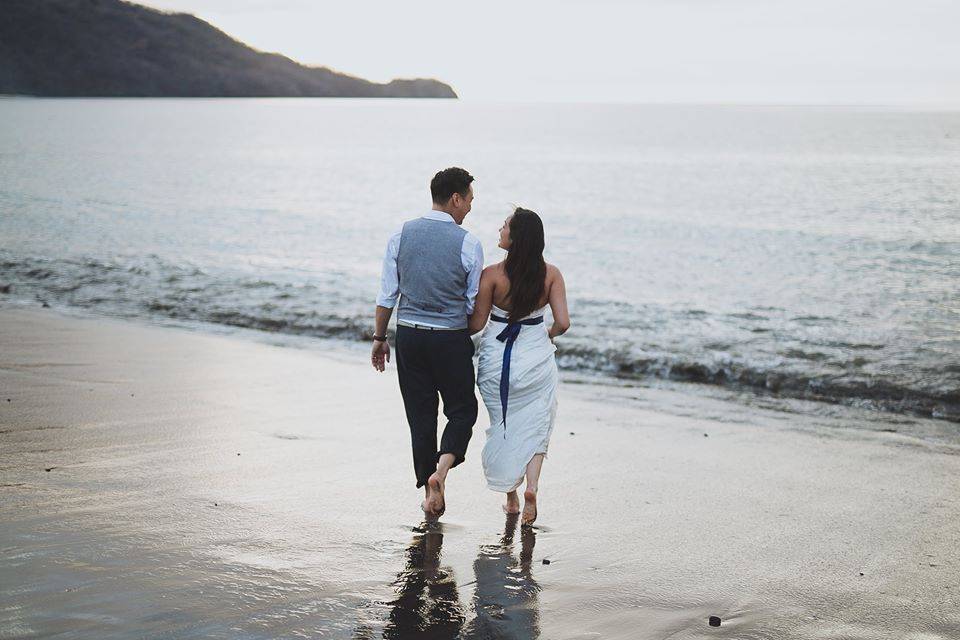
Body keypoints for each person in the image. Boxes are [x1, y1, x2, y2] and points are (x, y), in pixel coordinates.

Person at [371, 167, 484, 520]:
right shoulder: (468, 243)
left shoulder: (400, 236)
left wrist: (379, 338)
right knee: (462, 410)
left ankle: (429, 493)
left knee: (420, 416)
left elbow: (388, 294)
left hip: (410, 336)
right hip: (449, 338)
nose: (469, 208)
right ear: (455, 198)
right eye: (468, 200)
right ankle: (442, 472)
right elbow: (472, 301)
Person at [468, 207, 570, 526]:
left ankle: (510, 497)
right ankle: (532, 488)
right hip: (535, 357)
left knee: (503, 424)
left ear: (516, 237)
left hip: (498, 358)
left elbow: (476, 323)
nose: (500, 229)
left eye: (505, 226)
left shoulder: (492, 275)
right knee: (538, 425)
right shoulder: (551, 274)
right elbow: (563, 323)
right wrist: (544, 335)